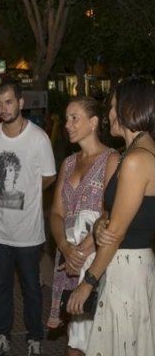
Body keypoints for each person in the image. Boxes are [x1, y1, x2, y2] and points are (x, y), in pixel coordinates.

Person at [66, 76, 155, 356]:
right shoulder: (134, 153)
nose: (109, 113)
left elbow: (115, 233)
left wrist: (87, 283)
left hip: (127, 268)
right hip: (127, 264)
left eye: (114, 105)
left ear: (129, 108)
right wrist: (102, 222)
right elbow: (113, 216)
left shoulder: (136, 159)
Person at [0, 79, 57, 356]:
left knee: (31, 289)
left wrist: (29, 190)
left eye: (9, 102)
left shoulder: (38, 138)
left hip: (29, 233)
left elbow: (49, 175)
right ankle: (2, 334)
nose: (4, 108)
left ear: (21, 103)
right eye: (0, 103)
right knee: (1, 288)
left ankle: (34, 337)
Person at [47, 97, 118, 355]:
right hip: (69, 259)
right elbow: (56, 212)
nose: (67, 124)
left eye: (74, 118)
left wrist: (82, 250)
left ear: (94, 122)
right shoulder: (68, 163)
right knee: (74, 337)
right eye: (67, 118)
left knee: (96, 336)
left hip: (95, 259)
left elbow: (111, 213)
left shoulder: (112, 159)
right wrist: (65, 247)